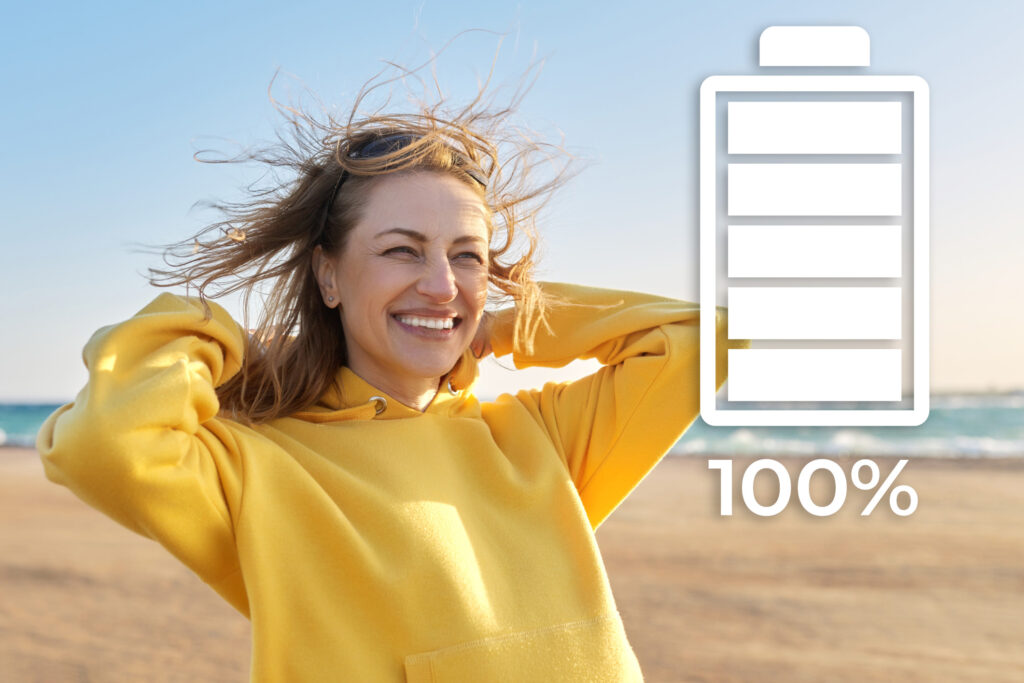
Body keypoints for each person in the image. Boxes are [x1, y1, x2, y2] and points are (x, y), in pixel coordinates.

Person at [36, 73, 740, 681]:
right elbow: (102, 442)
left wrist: (499, 324)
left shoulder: (541, 438)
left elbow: (702, 339)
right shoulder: (259, 467)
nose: (441, 284)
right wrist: (235, 346)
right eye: (403, 250)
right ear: (329, 274)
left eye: (466, 256)